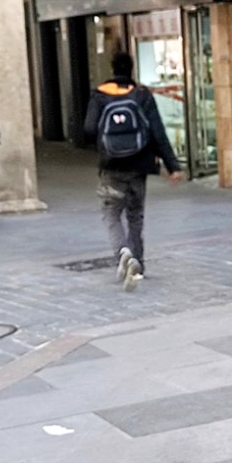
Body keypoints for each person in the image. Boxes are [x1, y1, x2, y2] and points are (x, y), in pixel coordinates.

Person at [84, 52, 182, 292]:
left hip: (111, 167)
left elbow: (87, 128)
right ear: (132, 68)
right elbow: (157, 131)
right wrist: (173, 166)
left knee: (111, 214)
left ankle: (123, 254)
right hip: (139, 166)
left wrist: (105, 142)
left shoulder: (99, 96)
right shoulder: (141, 95)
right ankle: (137, 262)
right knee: (135, 216)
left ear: (112, 67)